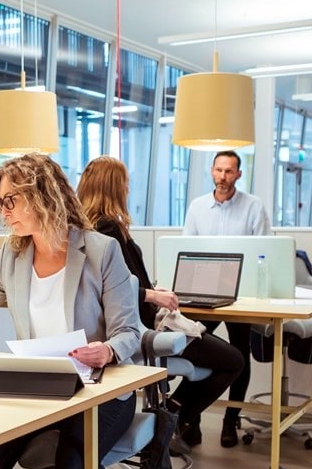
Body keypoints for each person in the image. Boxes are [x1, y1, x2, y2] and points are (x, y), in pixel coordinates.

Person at [0, 153, 141, 469]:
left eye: (12, 200)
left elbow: (130, 333)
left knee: (75, 463)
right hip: (42, 389)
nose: (4, 211)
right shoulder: (12, 257)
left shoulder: (101, 251)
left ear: (42, 195)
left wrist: (108, 350)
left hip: (102, 389)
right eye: (1, 202)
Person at [77, 156, 243, 447]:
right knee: (234, 360)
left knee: (218, 353)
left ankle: (174, 417)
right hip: (141, 331)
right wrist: (153, 295)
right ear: (114, 187)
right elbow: (113, 290)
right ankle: (174, 420)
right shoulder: (107, 231)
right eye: (125, 183)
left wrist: (150, 291)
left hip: (130, 327)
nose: (128, 189)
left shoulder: (88, 230)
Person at [181, 150, 269, 447]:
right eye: (218, 170)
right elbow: (186, 249)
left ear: (239, 174)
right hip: (204, 291)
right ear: (211, 171)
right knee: (195, 347)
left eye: (229, 171)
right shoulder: (197, 207)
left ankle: (230, 421)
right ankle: (191, 419)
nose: (223, 176)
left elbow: (265, 253)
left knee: (240, 355)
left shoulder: (253, 207)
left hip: (240, 295)